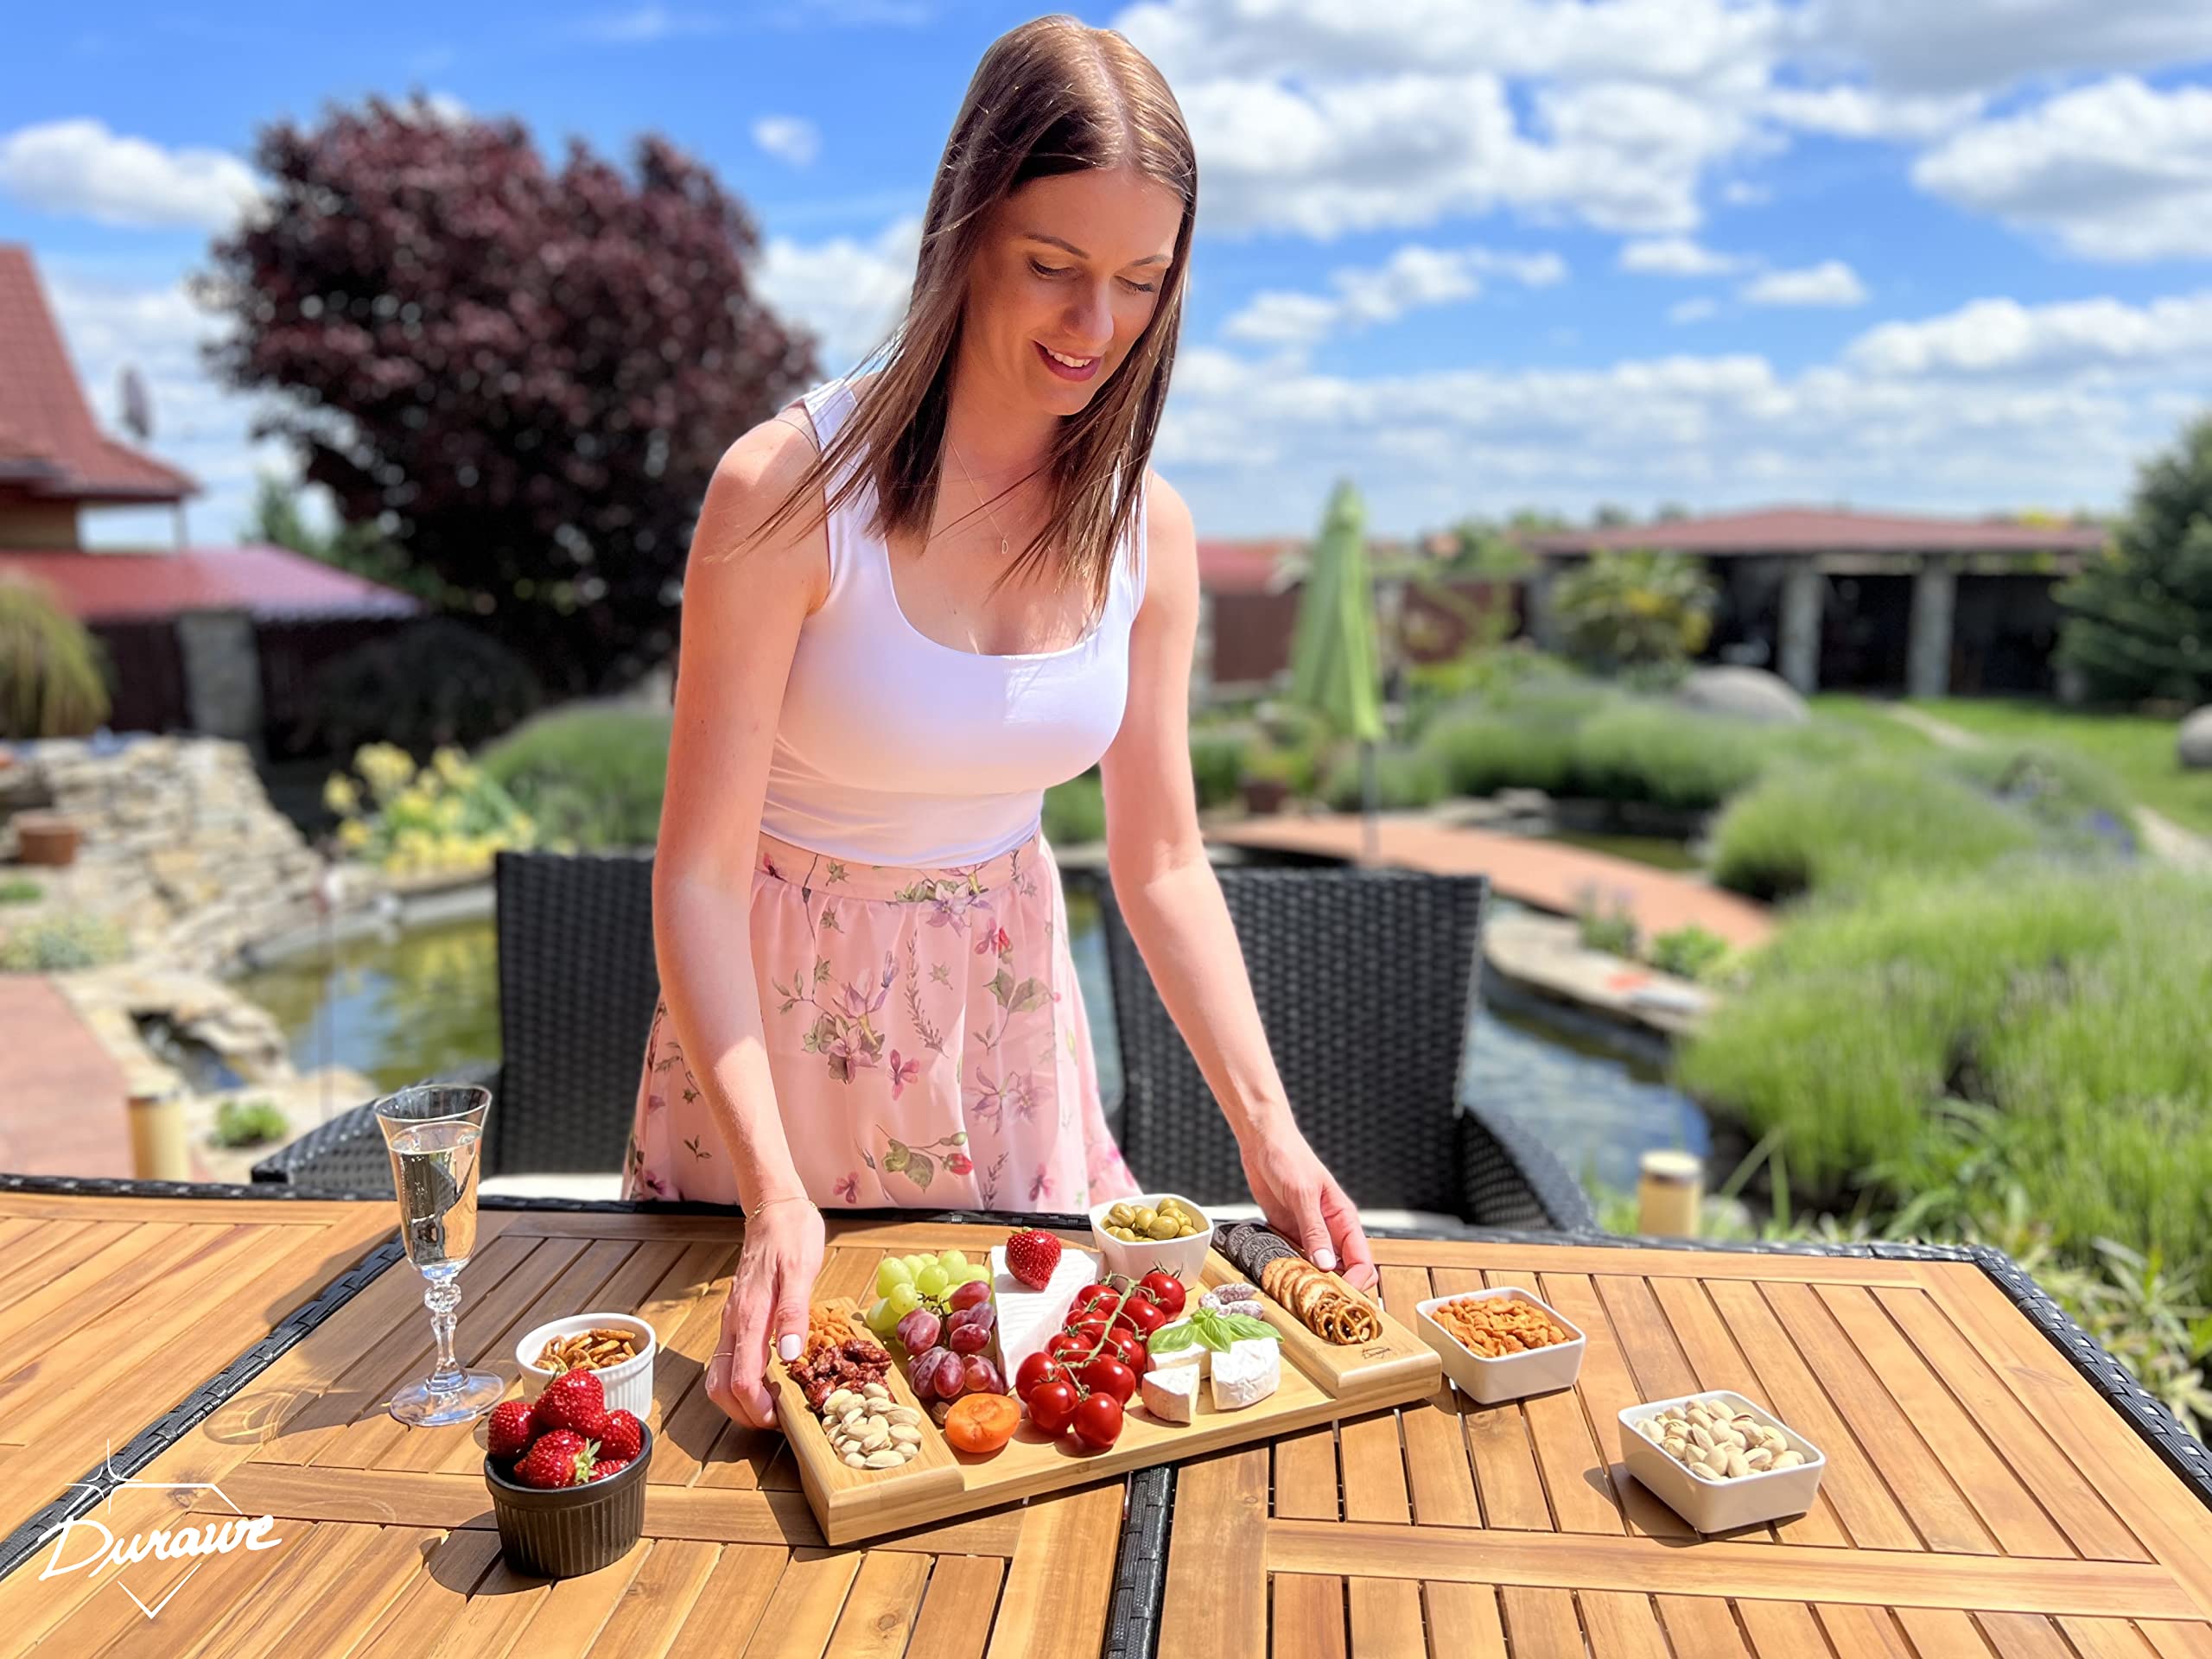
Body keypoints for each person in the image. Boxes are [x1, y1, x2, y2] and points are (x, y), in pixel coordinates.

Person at [625, 13, 1378, 1433]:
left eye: (1141, 282)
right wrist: (771, 1185)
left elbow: (1159, 862)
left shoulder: (1146, 530)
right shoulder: (783, 494)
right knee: (779, 1460)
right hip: (782, 1053)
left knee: (1015, 1440)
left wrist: (1271, 1142)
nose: (1096, 327)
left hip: (1006, 1027)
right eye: (1053, 267)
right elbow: (700, 873)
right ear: (964, 229)